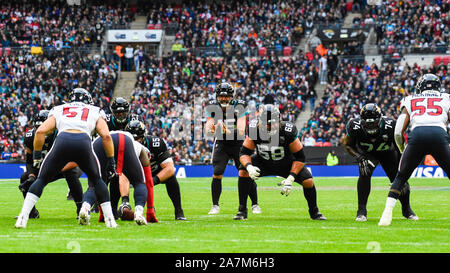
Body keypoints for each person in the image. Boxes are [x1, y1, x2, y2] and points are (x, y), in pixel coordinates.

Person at [15, 88, 118, 228]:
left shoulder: (59, 109)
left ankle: (22, 217)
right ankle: (110, 221)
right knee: (97, 180)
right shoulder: (95, 110)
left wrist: (37, 157)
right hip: (83, 141)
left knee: (41, 180)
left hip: (62, 141)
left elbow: (40, 131)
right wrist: (111, 160)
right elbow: (106, 136)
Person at [379, 74, 450, 226]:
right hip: (439, 133)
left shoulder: (410, 99)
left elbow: (398, 131)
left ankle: (386, 214)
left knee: (400, 178)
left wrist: (402, 147)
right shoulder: (446, 98)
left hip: (417, 135)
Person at [235, 104, 326, 220]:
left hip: (286, 163)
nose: (271, 126)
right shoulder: (254, 128)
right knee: (242, 171)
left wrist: (291, 178)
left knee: (308, 180)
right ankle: (242, 211)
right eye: (267, 123)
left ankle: (314, 212)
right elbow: (244, 153)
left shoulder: (288, 130)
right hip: (263, 161)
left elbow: (300, 158)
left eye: (273, 123)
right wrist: (249, 167)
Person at [343, 103, 417, 222]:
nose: (371, 125)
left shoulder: (391, 124)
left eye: (373, 122)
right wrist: (359, 157)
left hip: (387, 153)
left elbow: (399, 146)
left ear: (380, 119)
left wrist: (401, 168)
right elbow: (348, 145)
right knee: (364, 173)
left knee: (399, 179)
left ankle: (406, 209)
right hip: (367, 154)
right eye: (367, 123)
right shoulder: (354, 125)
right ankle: (361, 211)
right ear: (361, 121)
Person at [205, 82, 260, 215]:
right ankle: (215, 205)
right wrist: (212, 128)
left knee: (246, 173)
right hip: (222, 144)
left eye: (227, 96)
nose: (224, 99)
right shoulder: (212, 106)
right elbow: (208, 128)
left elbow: (241, 131)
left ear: (232, 97)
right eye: (221, 96)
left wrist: (226, 131)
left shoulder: (239, 106)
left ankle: (255, 204)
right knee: (217, 172)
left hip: (238, 144)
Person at [18, 110, 84, 219]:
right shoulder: (30, 137)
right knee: (25, 178)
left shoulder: (63, 134)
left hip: (65, 165)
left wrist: (55, 169)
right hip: (46, 166)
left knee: (70, 173)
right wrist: (31, 175)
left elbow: (75, 160)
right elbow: (29, 160)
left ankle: (81, 210)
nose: (42, 131)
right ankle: (31, 212)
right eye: (38, 128)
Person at [88, 129, 156, 225]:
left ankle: (85, 208)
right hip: (122, 143)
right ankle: (138, 212)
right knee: (139, 183)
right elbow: (147, 182)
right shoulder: (139, 148)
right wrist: (150, 209)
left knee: (96, 185)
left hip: (99, 144)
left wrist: (102, 214)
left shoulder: (134, 144)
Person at [126, 120, 186, 220]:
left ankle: (179, 210)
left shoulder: (156, 143)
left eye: (138, 139)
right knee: (116, 179)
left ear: (144, 136)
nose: (136, 142)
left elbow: (170, 168)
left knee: (171, 179)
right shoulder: (124, 145)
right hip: (136, 173)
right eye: (133, 139)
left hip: (153, 172)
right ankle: (118, 207)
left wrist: (153, 181)